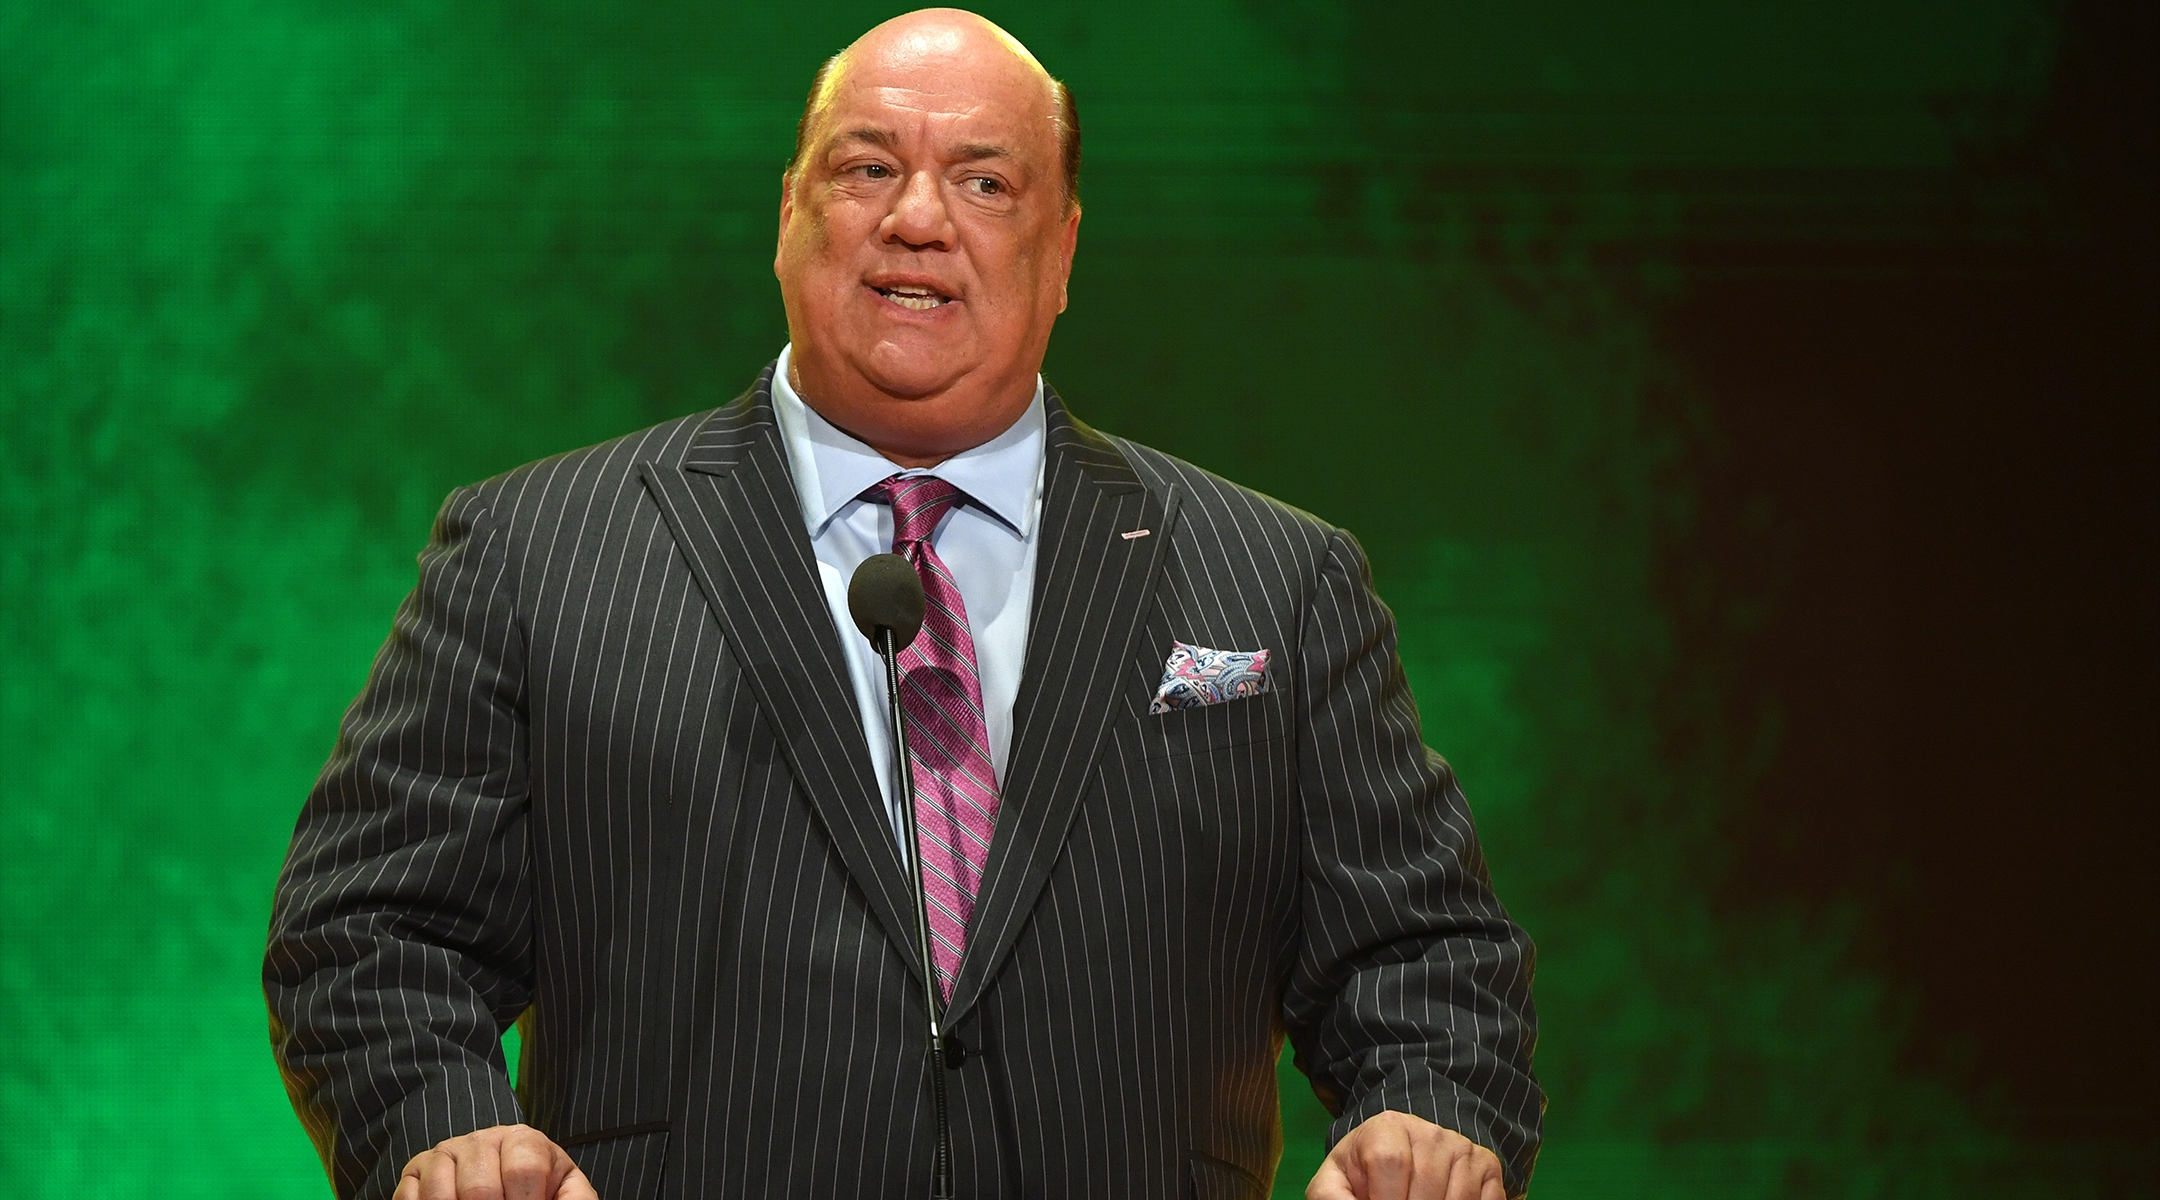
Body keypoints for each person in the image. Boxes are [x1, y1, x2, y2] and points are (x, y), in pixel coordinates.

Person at [265, 9, 1541, 1199]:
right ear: (786, 216)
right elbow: (369, 929)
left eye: (985, 183)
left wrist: (1425, 1112)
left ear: (1065, 251)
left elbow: (1425, 955)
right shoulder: (539, 551)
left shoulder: (1278, 577)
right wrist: (438, 1124)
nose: (918, 219)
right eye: (865, 169)